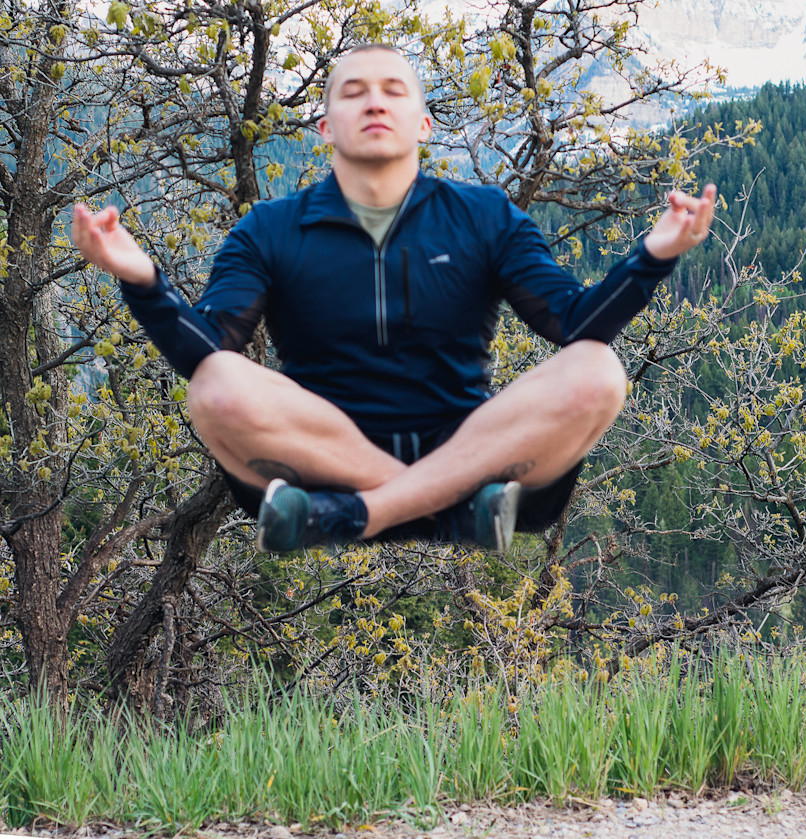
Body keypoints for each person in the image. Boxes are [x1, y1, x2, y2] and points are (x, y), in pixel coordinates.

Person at [71, 44, 717, 554]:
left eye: (393, 91)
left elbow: (575, 322)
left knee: (598, 370)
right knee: (211, 388)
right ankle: (444, 510)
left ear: (424, 122)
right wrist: (141, 279)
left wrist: (653, 256)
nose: (374, 103)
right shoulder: (268, 229)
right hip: (323, 455)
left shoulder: (484, 217)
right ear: (325, 126)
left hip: (466, 443)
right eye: (353, 93)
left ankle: (359, 516)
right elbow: (210, 349)